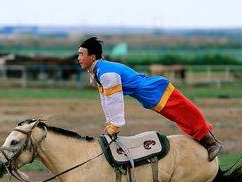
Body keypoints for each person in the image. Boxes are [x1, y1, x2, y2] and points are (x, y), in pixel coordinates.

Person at [77, 37, 222, 161]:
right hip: (147, 93)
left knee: (184, 112)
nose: (78, 58)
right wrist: (109, 124)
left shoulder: (106, 74)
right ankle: (205, 141)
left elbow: (115, 101)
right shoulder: (98, 72)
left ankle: (212, 143)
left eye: (81, 54)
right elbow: (106, 99)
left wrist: (114, 127)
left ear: (93, 57)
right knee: (180, 117)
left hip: (153, 90)